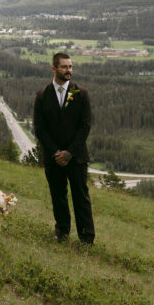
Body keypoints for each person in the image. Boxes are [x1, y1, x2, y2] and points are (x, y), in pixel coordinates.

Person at [33, 52, 95, 244]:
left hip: (76, 157)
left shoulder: (81, 94)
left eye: (70, 67)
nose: (69, 71)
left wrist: (69, 152)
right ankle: (62, 233)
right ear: (54, 69)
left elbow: (85, 126)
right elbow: (39, 128)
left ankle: (86, 237)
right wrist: (55, 152)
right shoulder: (42, 96)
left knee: (81, 197)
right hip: (53, 158)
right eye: (64, 67)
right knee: (58, 196)